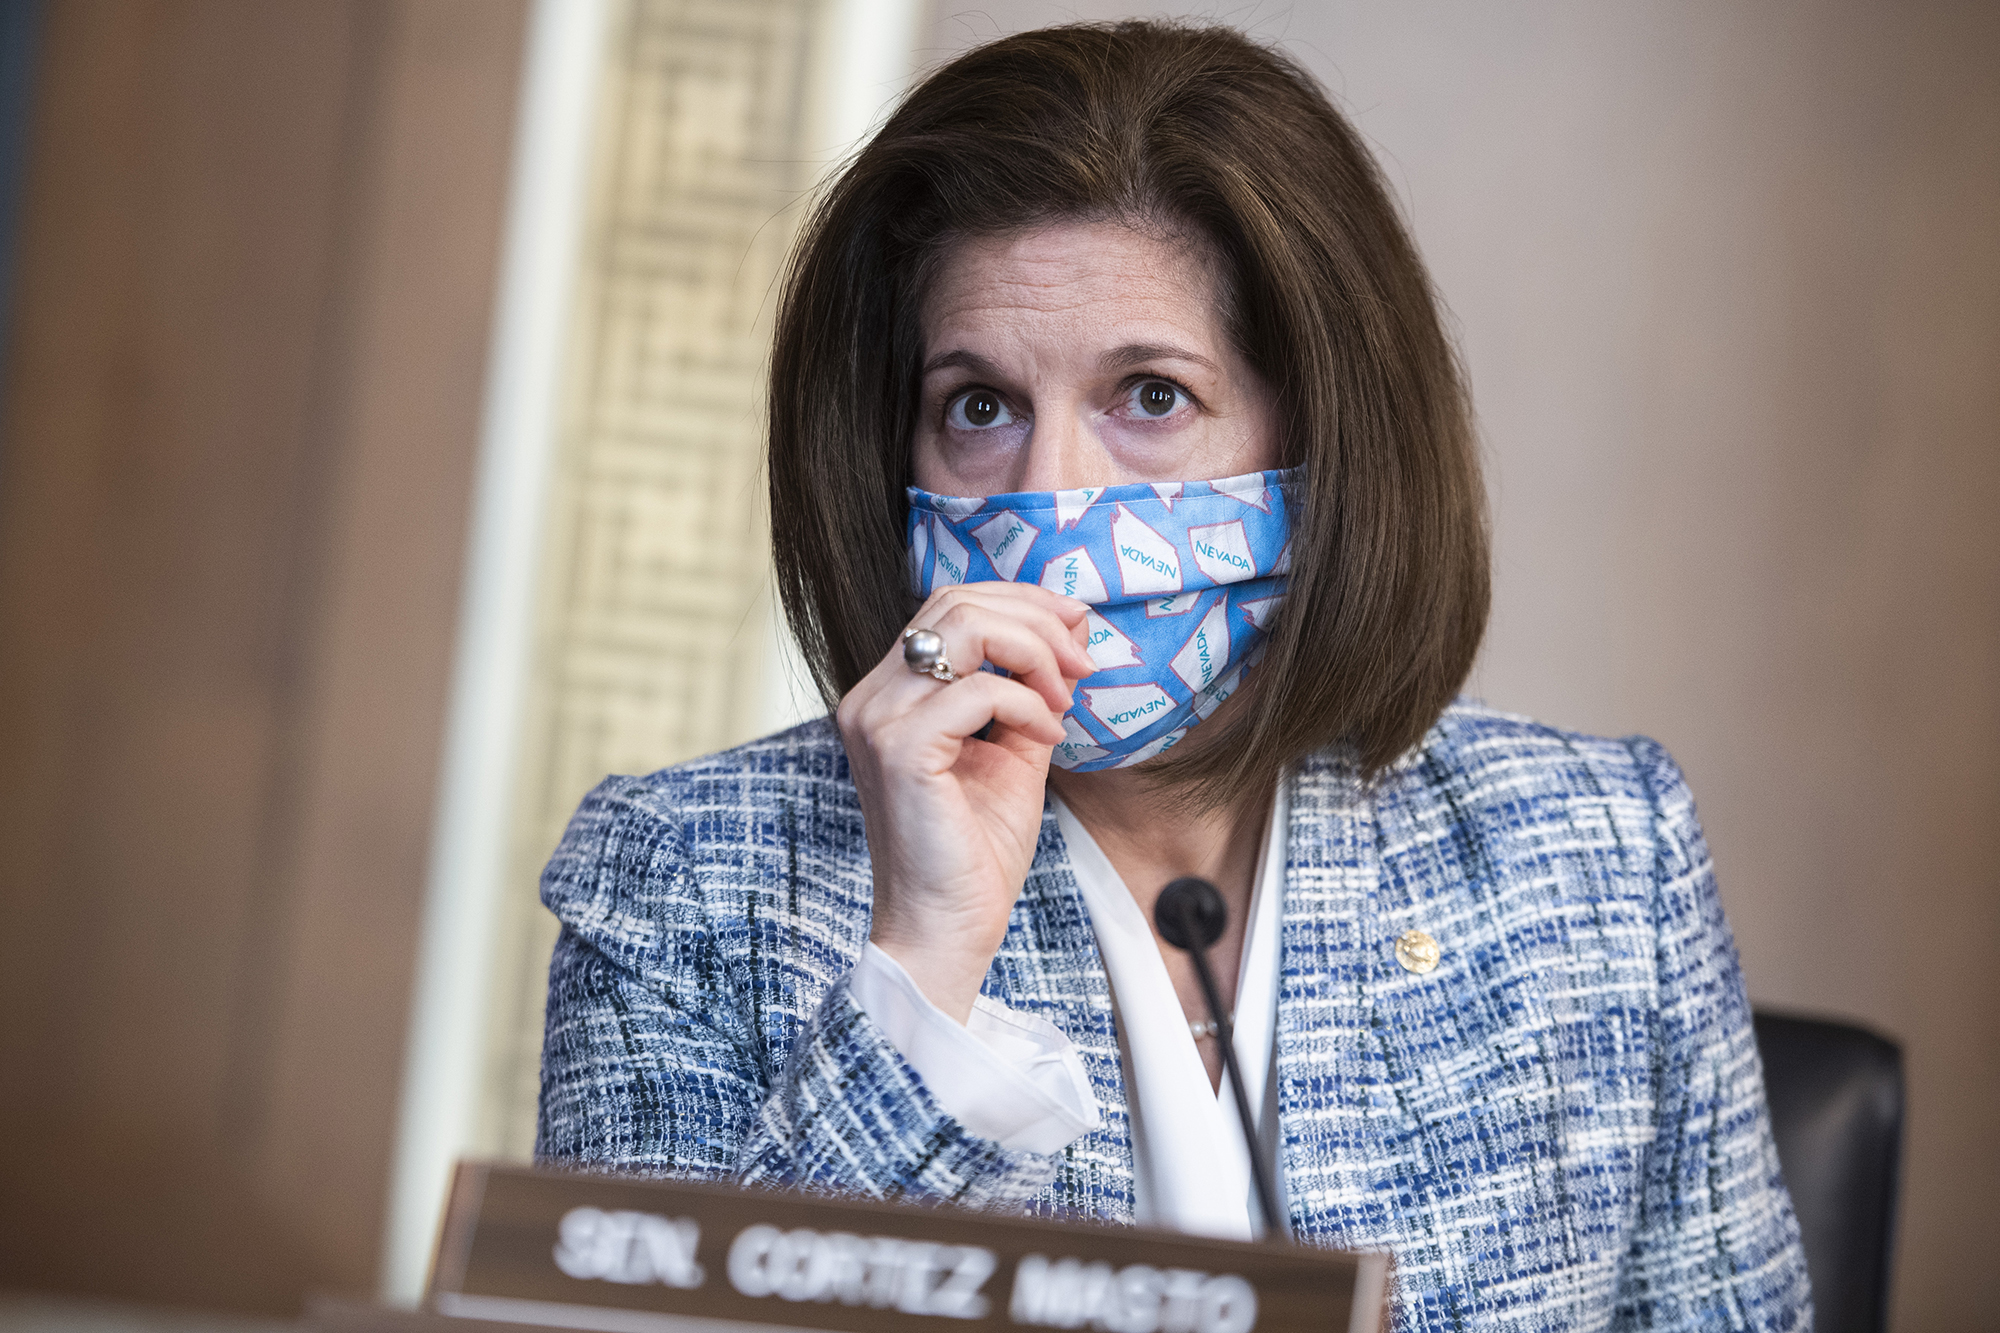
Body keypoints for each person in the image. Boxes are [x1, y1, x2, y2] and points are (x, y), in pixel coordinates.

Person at [536, 20, 1811, 1331]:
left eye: (1149, 396)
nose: (1050, 503)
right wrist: (921, 974)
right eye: (979, 406)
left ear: (1318, 436)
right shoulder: (680, 883)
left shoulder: (1599, 852)